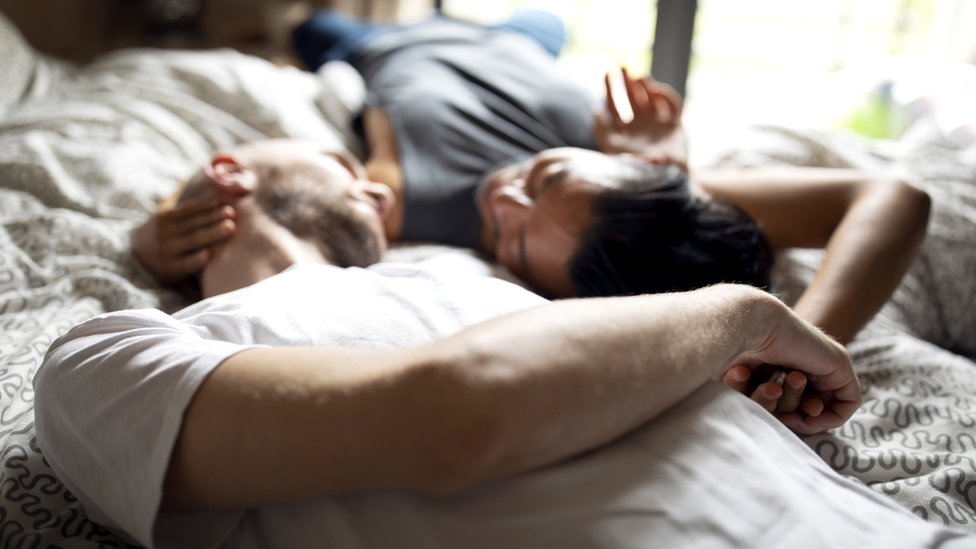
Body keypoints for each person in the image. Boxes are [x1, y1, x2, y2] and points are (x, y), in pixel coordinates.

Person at [36, 138, 868, 547]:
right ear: (229, 170)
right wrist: (738, 312)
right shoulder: (102, 363)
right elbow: (456, 420)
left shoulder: (492, 286)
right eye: (339, 158)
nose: (376, 185)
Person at [132, 10, 930, 346]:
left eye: (510, 237)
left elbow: (258, 187)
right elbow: (891, 195)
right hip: (523, 41)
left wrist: (169, 219)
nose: (501, 194)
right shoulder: (646, 177)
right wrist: (664, 160)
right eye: (545, 177)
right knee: (543, 21)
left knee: (311, 28)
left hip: (389, 46)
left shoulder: (408, 201)